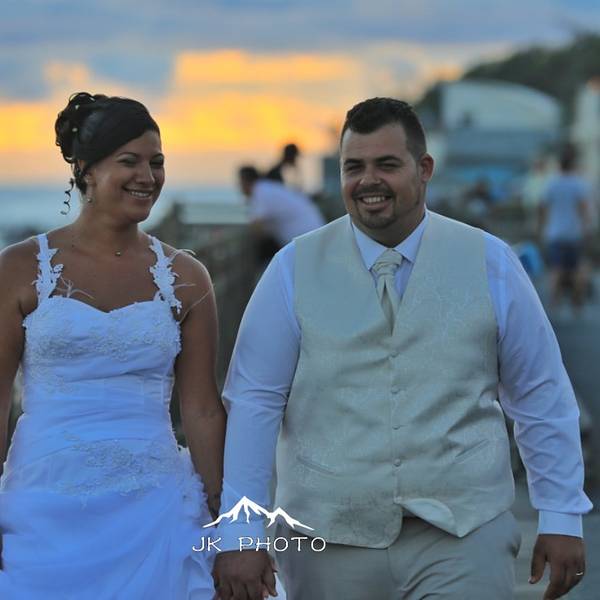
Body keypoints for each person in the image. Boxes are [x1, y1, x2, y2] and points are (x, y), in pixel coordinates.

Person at [213, 98, 592, 600]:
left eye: (387, 164)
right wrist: (241, 530)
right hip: (324, 540)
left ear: (424, 168)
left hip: (463, 536)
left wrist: (561, 513)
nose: (368, 180)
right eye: (354, 167)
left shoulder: (490, 261)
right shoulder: (291, 269)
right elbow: (254, 401)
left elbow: (540, 392)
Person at [0, 92, 225, 598]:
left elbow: (202, 410)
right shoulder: (18, 268)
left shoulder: (187, 278)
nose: (148, 176)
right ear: (85, 169)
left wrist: (229, 524)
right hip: (43, 504)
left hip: (155, 506)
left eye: (156, 162)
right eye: (129, 161)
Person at [539, 150, 592, 311]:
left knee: (556, 269)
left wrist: (543, 227)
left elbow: (543, 207)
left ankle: (554, 302)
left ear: (559, 165)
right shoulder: (578, 183)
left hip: (555, 233)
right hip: (574, 233)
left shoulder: (552, 183)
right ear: (573, 164)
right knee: (577, 267)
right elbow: (584, 209)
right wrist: (586, 228)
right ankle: (577, 301)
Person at [238, 165, 325, 256]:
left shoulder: (261, 191)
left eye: (240, 182)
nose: (240, 187)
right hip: (311, 237)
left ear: (245, 181)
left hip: (306, 240)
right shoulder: (267, 188)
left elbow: (257, 226)